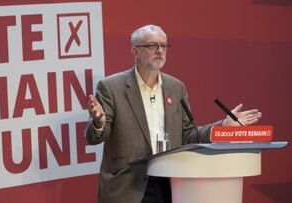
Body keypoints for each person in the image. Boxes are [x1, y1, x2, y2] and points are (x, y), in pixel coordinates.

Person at [85, 24, 262, 203]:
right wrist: (99, 122)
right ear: (135, 52)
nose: (160, 50)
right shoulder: (111, 87)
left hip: (170, 181)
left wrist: (222, 127)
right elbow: (95, 137)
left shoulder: (176, 87)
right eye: (152, 45)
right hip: (129, 186)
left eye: (164, 45)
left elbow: (188, 135)